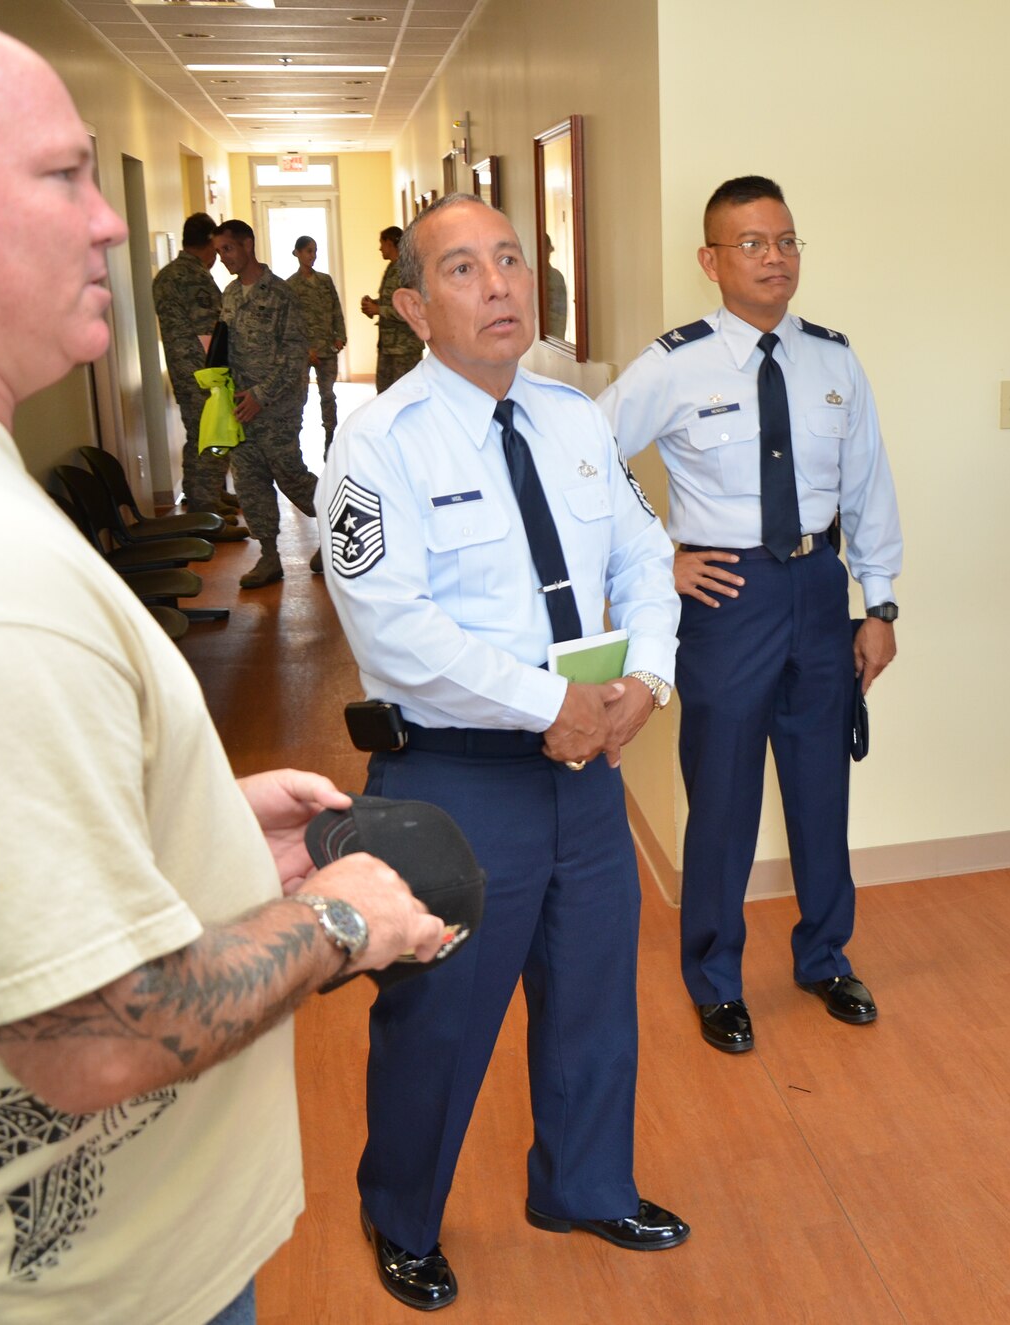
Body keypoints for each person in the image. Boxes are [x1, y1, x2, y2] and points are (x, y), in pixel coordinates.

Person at [0, 8, 446, 1324]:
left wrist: (199, 828)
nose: (109, 223)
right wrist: (344, 919)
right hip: (76, 1294)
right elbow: (90, 1035)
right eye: (62, 175)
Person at [317, 194, 689, 1313]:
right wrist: (547, 704)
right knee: (438, 1016)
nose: (499, 286)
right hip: (454, 779)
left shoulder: (572, 417)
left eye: (512, 261)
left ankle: (583, 1183)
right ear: (414, 304)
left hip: (585, 771)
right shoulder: (379, 441)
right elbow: (392, 624)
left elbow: (646, 553)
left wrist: (649, 678)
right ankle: (403, 1216)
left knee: (590, 995)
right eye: (465, 269)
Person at [598, 175, 903, 1054]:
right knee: (724, 797)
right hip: (728, 601)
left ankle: (825, 954)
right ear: (711, 260)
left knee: (820, 786)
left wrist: (876, 605)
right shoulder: (676, 363)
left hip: (817, 591)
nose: (776, 259)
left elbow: (870, 490)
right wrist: (663, 555)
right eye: (754, 244)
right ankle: (715, 978)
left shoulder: (835, 361)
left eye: (787, 241)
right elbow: (585, 454)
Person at [213, 218, 320, 589]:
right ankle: (269, 557)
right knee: (250, 481)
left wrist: (261, 395)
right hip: (239, 408)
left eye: (227, 249)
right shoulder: (228, 294)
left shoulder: (280, 295)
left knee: (290, 475)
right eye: (218, 252)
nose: (223, 257)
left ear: (247, 245)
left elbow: (293, 358)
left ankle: (338, 530)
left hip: (277, 408)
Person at [152, 211, 241, 522]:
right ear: (207, 243)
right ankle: (207, 511)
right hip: (203, 373)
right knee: (211, 434)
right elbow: (208, 333)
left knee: (197, 433)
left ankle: (207, 495)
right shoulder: (193, 277)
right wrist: (224, 376)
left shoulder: (166, 275)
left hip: (182, 370)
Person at [286, 234, 346, 454]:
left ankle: (330, 437)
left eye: (315, 250)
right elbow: (290, 323)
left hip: (327, 349)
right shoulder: (290, 285)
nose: (313, 255)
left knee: (328, 395)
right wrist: (304, 350)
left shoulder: (325, 280)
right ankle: (294, 442)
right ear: (298, 253)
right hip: (303, 352)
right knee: (299, 397)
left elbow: (336, 309)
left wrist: (340, 335)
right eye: (308, 251)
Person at [361, 224, 424, 391]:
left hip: (404, 349)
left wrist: (379, 310)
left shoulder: (408, 271)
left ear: (390, 243)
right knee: (385, 394)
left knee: (405, 394)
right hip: (388, 347)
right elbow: (393, 300)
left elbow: (413, 308)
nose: (380, 248)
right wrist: (373, 304)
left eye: (382, 243)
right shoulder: (392, 268)